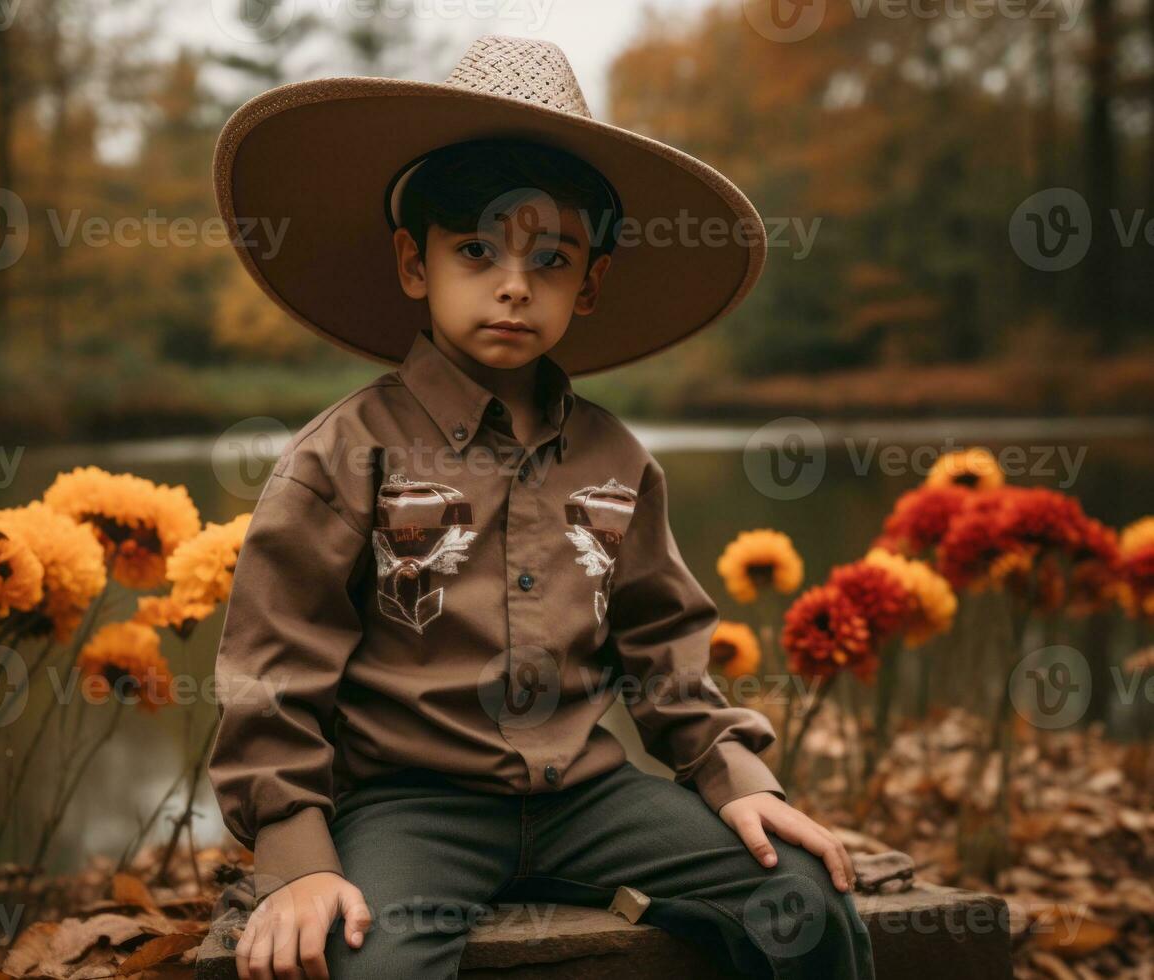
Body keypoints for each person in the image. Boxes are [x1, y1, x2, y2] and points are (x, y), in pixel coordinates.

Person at [207, 33, 875, 980]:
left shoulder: (617, 461)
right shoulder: (342, 456)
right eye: (475, 250)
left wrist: (734, 778)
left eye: (550, 258)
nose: (513, 284)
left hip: (590, 798)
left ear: (589, 283)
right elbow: (272, 676)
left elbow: (663, 649)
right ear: (414, 263)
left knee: (805, 903)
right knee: (374, 964)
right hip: (407, 805)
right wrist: (294, 860)